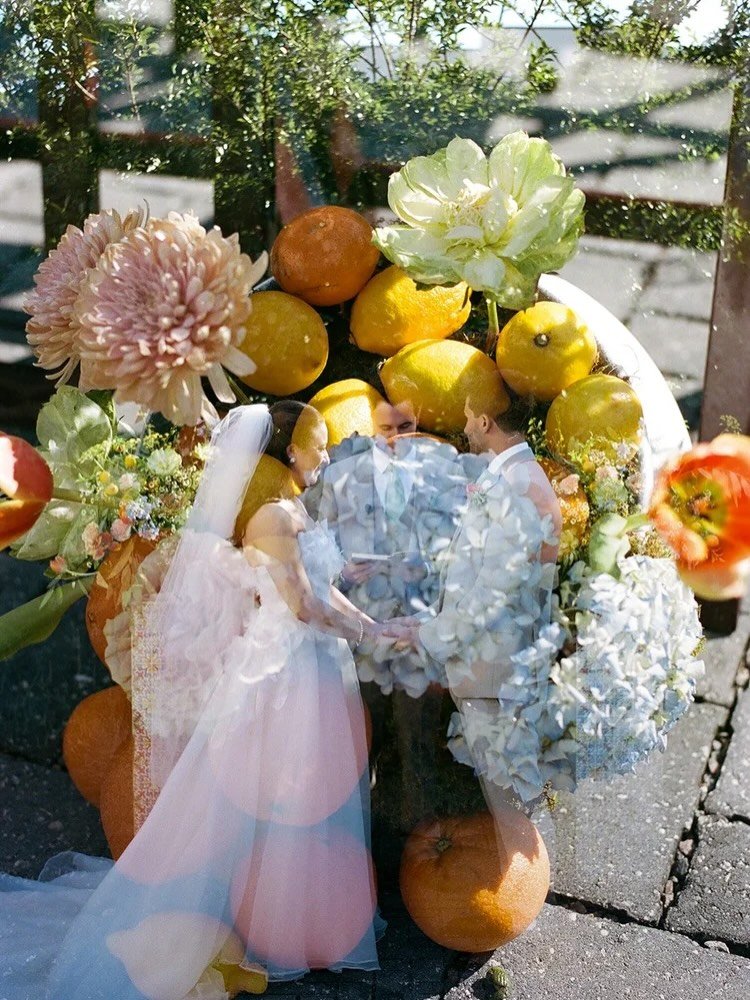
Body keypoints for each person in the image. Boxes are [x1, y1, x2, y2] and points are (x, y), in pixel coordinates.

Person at [0, 402, 386, 1000]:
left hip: (307, 663)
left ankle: (290, 911)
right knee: (286, 795)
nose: (326, 455)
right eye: (318, 445)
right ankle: (272, 913)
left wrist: (366, 593)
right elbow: (307, 603)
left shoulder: (288, 512)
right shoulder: (276, 516)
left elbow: (325, 582)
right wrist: (370, 633)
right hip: (292, 669)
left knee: (300, 798)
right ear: (286, 450)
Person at [385, 394, 562, 810]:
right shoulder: (511, 477)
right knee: (497, 789)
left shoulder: (521, 486)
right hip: (487, 661)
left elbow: (492, 594)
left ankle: (525, 871)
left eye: (467, 418)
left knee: (508, 796)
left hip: (496, 667)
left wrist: (429, 635)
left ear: (485, 422)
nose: (463, 428)